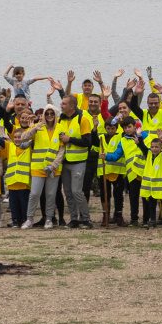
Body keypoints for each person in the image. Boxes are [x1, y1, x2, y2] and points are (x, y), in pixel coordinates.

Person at [55, 94, 96, 229]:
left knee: (77, 191)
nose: (61, 105)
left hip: (79, 161)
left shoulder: (82, 119)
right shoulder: (61, 119)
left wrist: (70, 139)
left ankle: (86, 219)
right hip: (65, 162)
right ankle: (74, 219)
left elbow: (87, 142)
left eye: (64, 104)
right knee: (68, 192)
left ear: (72, 106)